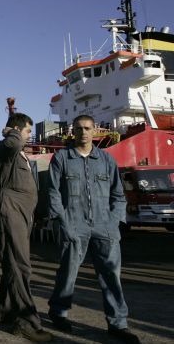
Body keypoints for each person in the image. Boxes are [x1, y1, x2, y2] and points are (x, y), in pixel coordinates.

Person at [47, 115, 140, 344]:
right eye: (79, 129)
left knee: (111, 276)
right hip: (74, 224)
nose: (84, 132)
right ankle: (58, 312)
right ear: (73, 131)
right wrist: (64, 222)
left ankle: (118, 324)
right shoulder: (62, 158)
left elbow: (118, 196)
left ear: (95, 130)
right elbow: (53, 193)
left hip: (104, 225)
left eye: (88, 128)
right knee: (68, 273)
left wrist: (114, 222)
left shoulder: (106, 160)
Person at [0, 113, 52, 342]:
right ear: (16, 130)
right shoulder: (6, 147)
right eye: (26, 131)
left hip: (19, 215)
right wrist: (12, 132)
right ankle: (26, 323)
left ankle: (1, 311)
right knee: (20, 267)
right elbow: (12, 142)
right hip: (10, 212)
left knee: (12, 266)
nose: (27, 137)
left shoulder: (16, 151)